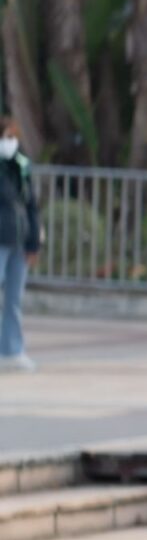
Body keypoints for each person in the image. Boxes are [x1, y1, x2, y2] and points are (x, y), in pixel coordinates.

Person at [0, 114, 38, 372]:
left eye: (12, 137)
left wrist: (34, 241)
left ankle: (12, 350)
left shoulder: (21, 165)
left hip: (19, 238)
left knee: (14, 299)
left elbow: (32, 204)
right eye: (5, 136)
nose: (9, 141)